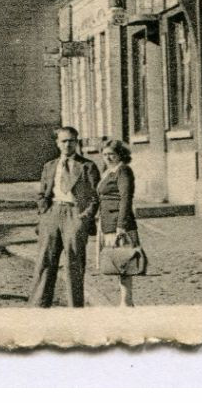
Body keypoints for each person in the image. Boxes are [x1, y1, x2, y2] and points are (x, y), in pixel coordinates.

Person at [28, 125, 101, 307]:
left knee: (74, 263)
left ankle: (74, 309)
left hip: (75, 214)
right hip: (52, 213)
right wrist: (44, 212)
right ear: (57, 143)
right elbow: (42, 192)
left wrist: (84, 218)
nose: (68, 144)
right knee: (45, 261)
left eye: (71, 141)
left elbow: (95, 196)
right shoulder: (50, 166)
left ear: (77, 143)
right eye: (64, 141)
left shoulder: (87, 166)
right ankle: (39, 307)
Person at [97, 139, 141, 307]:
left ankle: (126, 301)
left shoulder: (123, 171)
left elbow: (125, 199)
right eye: (105, 154)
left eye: (112, 154)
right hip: (107, 223)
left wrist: (121, 226)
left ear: (120, 155)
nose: (108, 158)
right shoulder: (108, 171)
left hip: (119, 224)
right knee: (116, 261)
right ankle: (124, 300)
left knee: (124, 261)